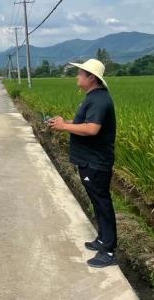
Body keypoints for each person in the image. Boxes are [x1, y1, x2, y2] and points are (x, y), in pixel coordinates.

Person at [47, 58, 118, 268]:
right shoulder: (93, 98)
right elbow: (83, 123)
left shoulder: (99, 100)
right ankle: (102, 239)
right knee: (97, 201)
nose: (77, 76)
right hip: (89, 161)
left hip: (95, 162)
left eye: (81, 73)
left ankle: (109, 251)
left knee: (102, 203)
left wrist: (63, 128)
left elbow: (92, 129)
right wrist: (64, 122)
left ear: (91, 78)